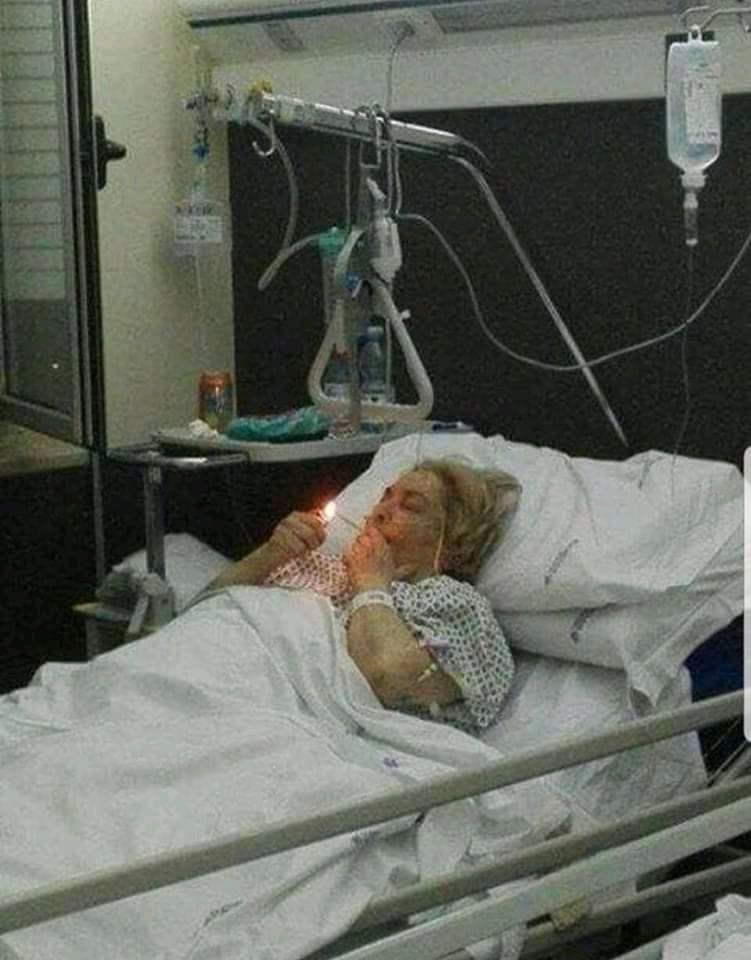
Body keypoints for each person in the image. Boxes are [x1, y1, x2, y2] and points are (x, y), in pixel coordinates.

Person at [210, 459, 521, 733]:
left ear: (453, 545)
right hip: (222, 674)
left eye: (411, 506)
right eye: (385, 497)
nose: (381, 511)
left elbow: (391, 678)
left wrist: (371, 583)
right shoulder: (320, 567)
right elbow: (207, 607)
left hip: (285, 722)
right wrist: (270, 553)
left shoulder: (455, 603)